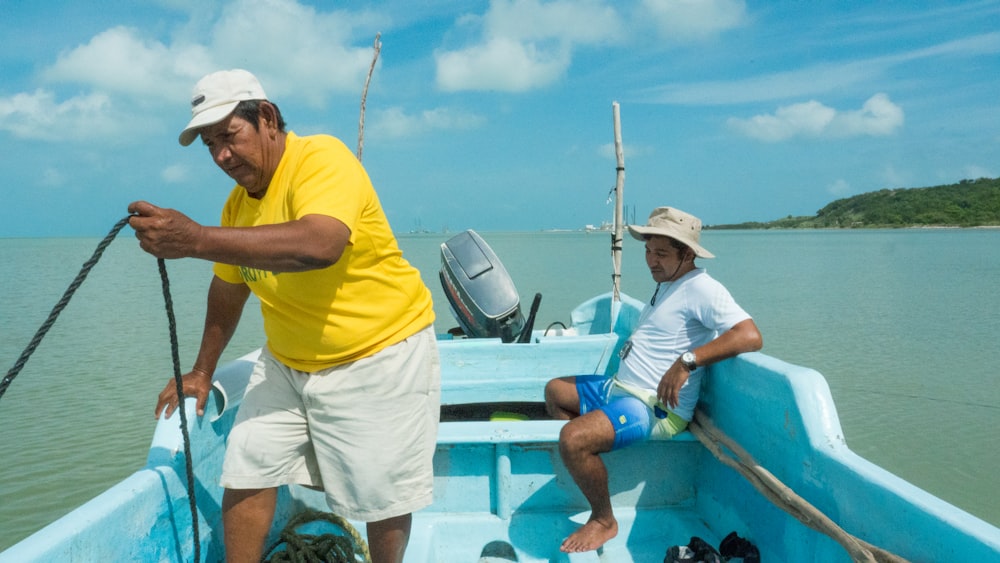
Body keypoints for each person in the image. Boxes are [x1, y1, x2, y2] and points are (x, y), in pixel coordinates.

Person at [128, 69, 440, 563]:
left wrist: (196, 240)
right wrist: (203, 371)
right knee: (247, 465)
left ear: (267, 118)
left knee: (381, 495)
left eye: (229, 136)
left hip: (379, 352)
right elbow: (228, 293)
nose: (221, 156)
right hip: (289, 361)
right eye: (210, 145)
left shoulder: (321, 158)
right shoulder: (236, 207)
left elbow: (320, 244)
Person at [544, 206, 763, 554]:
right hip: (617, 389)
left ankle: (603, 519)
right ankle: (592, 464)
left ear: (687, 254)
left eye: (661, 253)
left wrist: (687, 361)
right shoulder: (668, 283)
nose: (651, 261)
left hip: (651, 407)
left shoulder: (702, 287)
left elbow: (749, 335)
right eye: (647, 251)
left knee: (573, 438)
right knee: (556, 391)